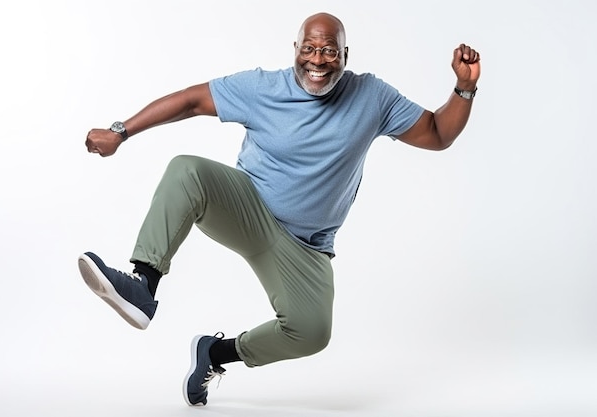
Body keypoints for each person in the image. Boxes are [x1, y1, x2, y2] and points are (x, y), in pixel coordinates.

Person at [78, 12, 480, 406]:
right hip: (247, 210)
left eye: (329, 51)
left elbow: (438, 133)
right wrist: (120, 132)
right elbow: (189, 102)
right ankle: (143, 284)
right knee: (186, 171)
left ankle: (213, 355)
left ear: (345, 55)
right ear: (295, 49)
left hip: (305, 248)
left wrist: (463, 88)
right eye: (309, 48)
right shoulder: (262, 88)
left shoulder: (371, 97)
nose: (318, 60)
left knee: (312, 332)